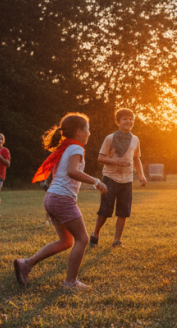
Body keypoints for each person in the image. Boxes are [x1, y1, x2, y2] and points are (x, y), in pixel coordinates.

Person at [13, 113, 107, 290]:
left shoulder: (65, 148)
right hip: (61, 199)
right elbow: (72, 172)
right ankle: (70, 282)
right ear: (79, 131)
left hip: (52, 197)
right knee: (82, 239)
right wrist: (96, 181)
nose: (90, 133)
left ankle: (26, 264)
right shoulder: (76, 148)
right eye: (88, 130)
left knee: (66, 241)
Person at [90, 108, 147, 248]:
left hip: (127, 180)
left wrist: (141, 175)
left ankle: (117, 240)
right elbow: (100, 158)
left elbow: (136, 159)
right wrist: (116, 162)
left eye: (131, 119)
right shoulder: (110, 138)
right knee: (105, 211)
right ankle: (95, 234)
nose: (129, 121)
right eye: (125, 119)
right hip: (110, 178)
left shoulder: (135, 139)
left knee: (123, 212)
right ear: (118, 122)